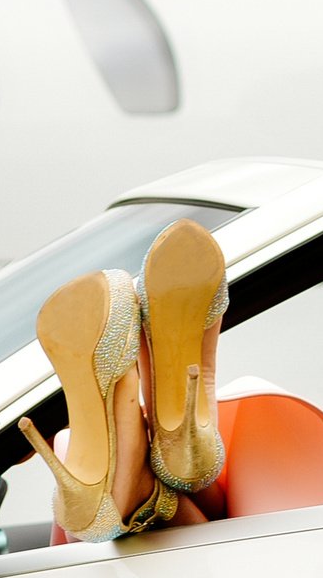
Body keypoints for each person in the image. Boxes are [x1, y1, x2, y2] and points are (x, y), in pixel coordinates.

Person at [18, 217, 229, 540]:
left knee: (67, 448)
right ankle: (184, 434)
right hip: (223, 566)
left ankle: (130, 473)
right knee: (221, 510)